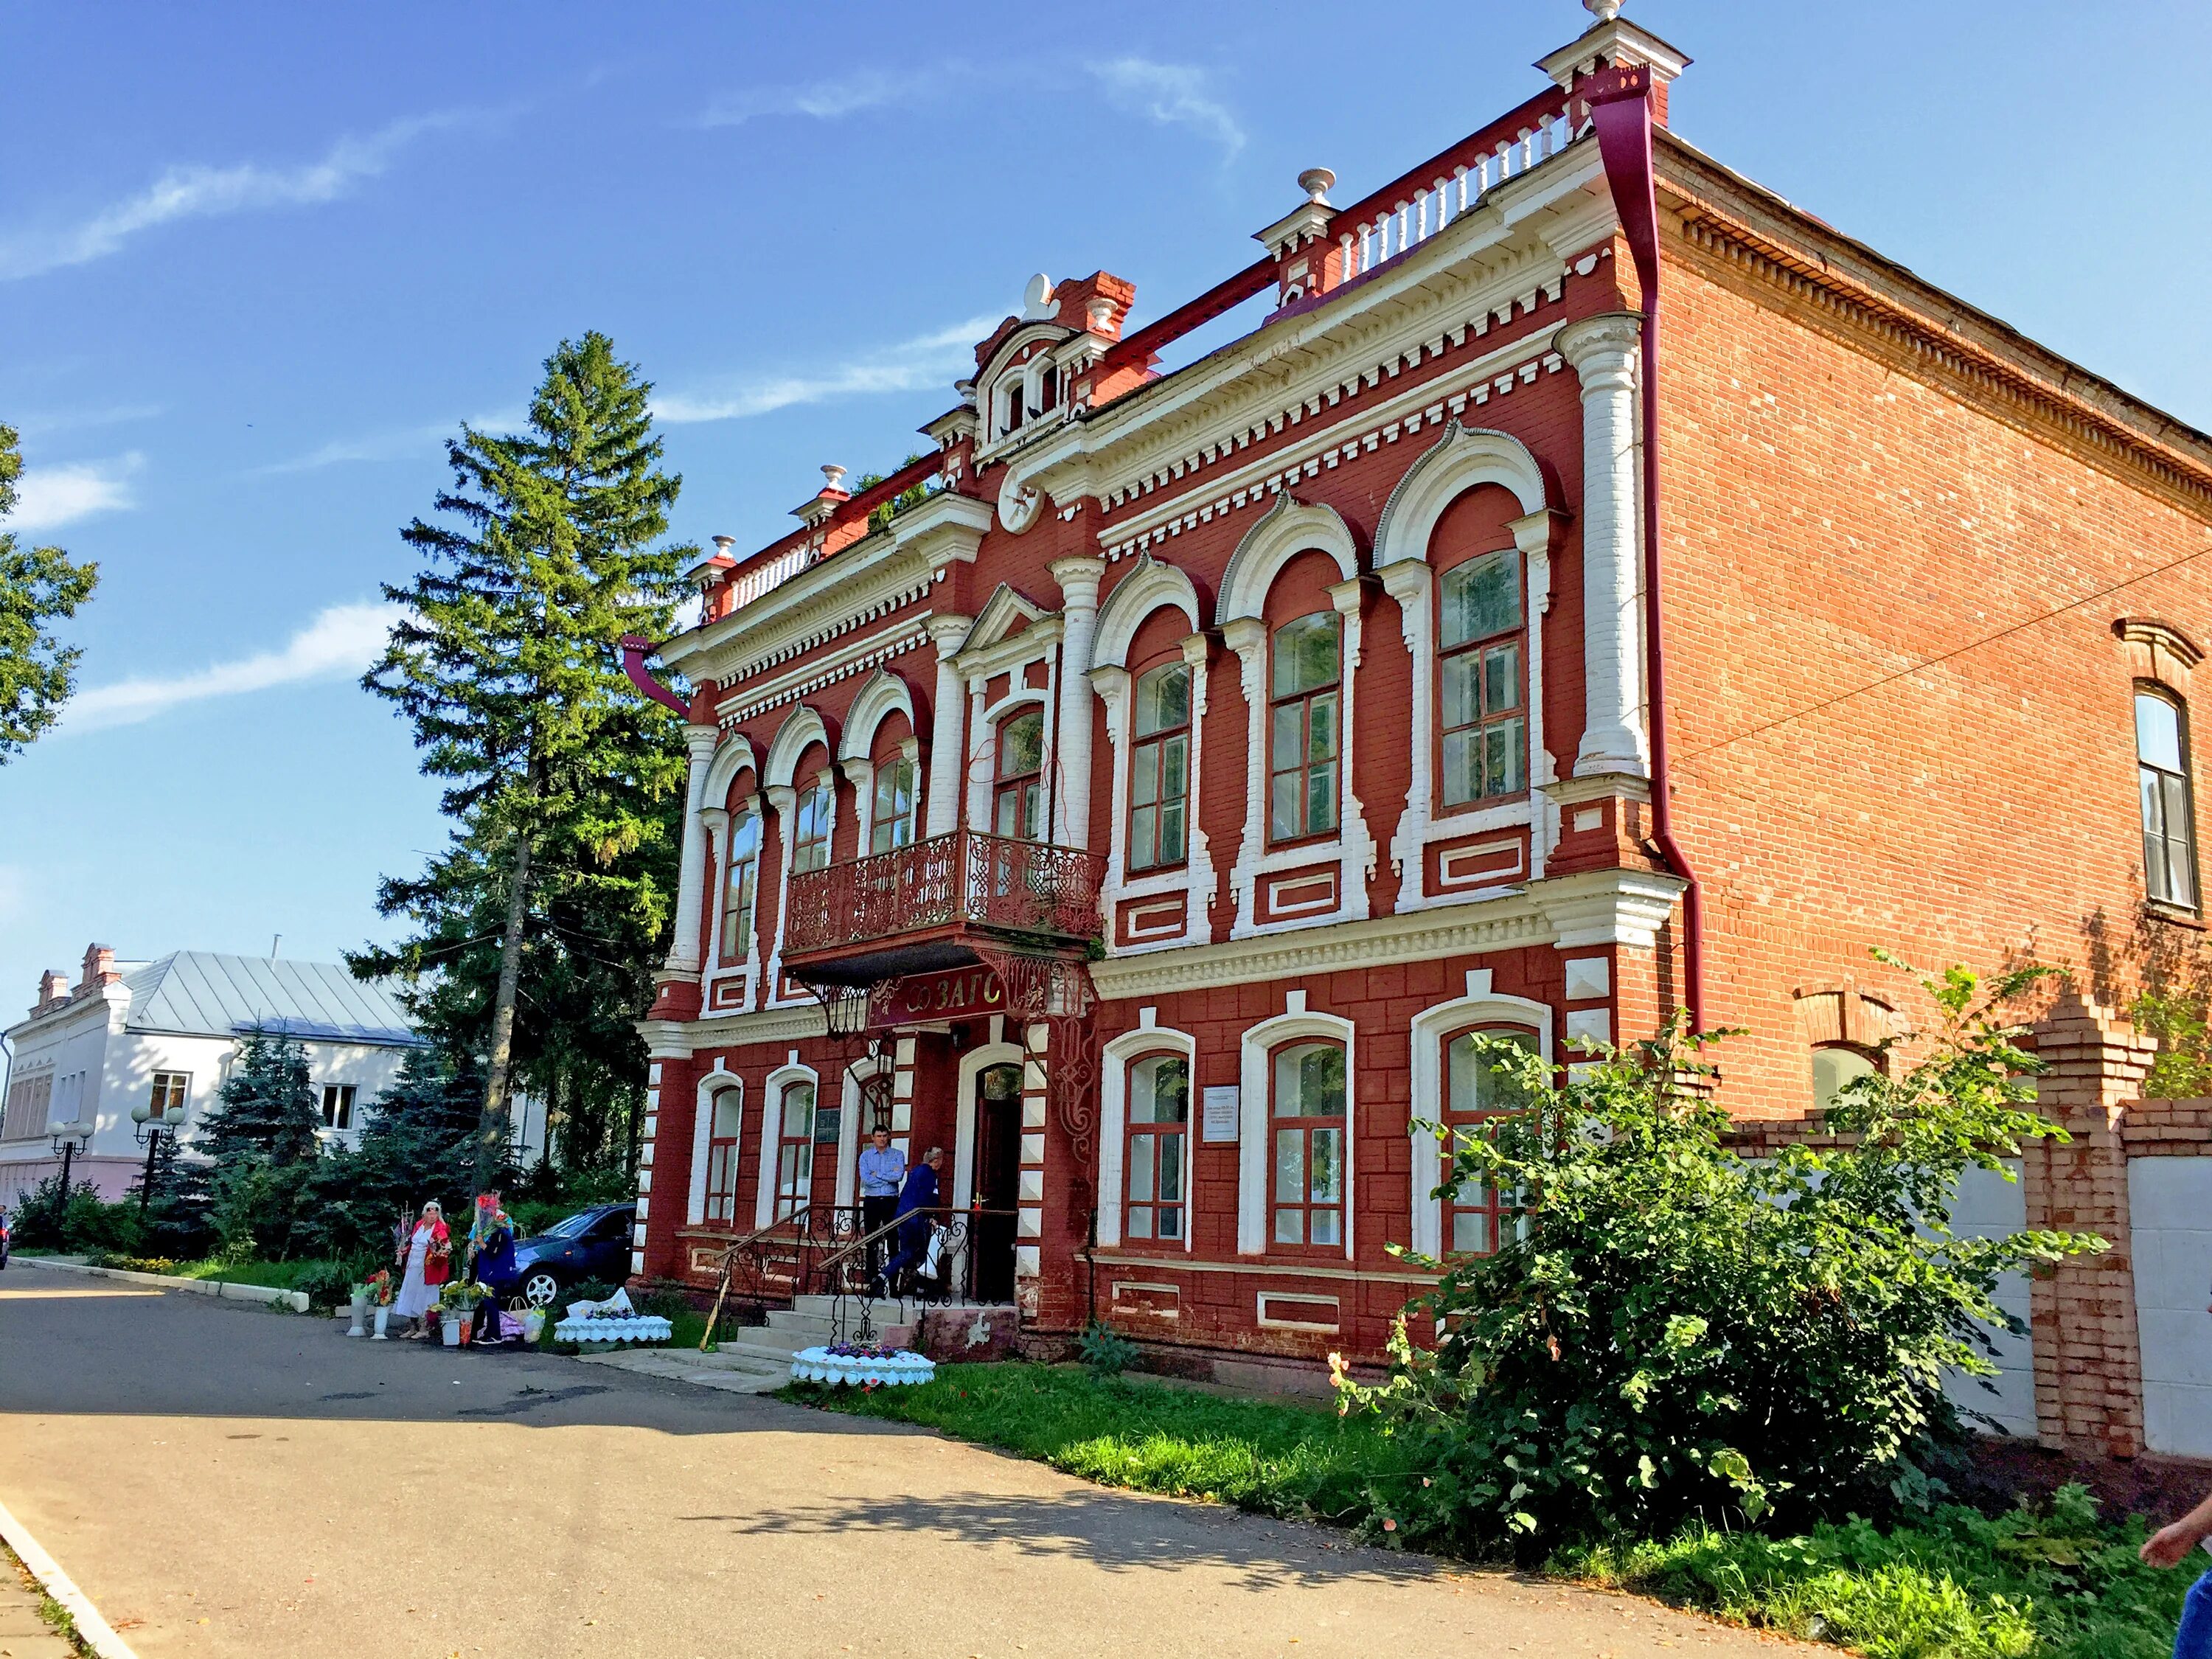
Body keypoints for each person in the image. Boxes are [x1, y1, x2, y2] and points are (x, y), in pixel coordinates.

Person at [880, 1147, 943, 1295]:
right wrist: (933, 1216)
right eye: (941, 1160)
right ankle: (921, 1289)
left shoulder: (915, 1171)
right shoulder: (930, 1174)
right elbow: (931, 1196)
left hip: (903, 1216)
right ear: (935, 1161)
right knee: (922, 1252)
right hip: (917, 1217)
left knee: (906, 1252)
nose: (941, 1164)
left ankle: (881, 1277)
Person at [392, 1200, 450, 1340]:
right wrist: (403, 1252)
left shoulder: (441, 1228)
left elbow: (444, 1250)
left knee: (424, 1297)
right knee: (410, 1295)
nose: (432, 1216)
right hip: (413, 1265)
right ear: (425, 1214)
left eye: (435, 1214)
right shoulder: (418, 1225)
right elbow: (412, 1244)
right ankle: (412, 1327)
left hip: (428, 1268)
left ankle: (425, 1328)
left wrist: (435, 1248)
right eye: (430, 1214)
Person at [467, 1192, 518, 1343]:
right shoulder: (481, 1221)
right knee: (483, 1299)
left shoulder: (501, 1227)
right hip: (484, 1264)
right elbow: (474, 1238)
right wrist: (473, 1246)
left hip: (494, 1268)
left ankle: (494, 1333)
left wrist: (482, 1244)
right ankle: (481, 1330)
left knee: (491, 1299)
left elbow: (495, 1250)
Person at [856, 1128, 905, 1281]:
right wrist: (887, 1177)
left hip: (891, 1201)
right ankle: (872, 1281)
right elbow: (865, 1179)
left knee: (893, 1242)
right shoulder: (866, 1156)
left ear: (889, 1137)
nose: (882, 1139)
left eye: (885, 1136)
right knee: (872, 1241)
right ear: (873, 1138)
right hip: (872, 1201)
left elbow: (898, 1177)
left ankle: (893, 1285)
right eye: (879, 1136)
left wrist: (877, 1174)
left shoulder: (897, 1154)